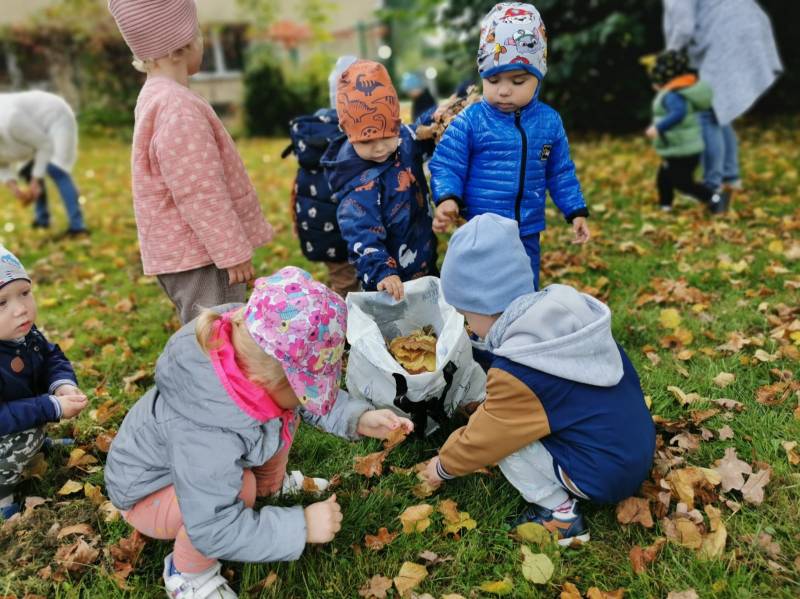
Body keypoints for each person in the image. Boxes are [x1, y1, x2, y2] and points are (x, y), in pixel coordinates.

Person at [105, 266, 413, 599]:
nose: (309, 398)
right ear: (267, 380)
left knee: (279, 420)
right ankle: (189, 573)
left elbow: (301, 403)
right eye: (305, 389)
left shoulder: (249, 366)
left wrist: (359, 418)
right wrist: (301, 527)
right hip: (149, 494)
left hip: (196, 475)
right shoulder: (207, 432)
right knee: (240, 488)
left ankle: (271, 488)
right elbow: (212, 524)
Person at [420, 215, 655, 546]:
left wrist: (442, 466)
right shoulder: (562, 321)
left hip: (602, 474)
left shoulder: (521, 373)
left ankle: (560, 516)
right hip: (633, 447)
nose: (469, 328)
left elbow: (486, 437)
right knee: (512, 419)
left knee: (504, 439)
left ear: (484, 306)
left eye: (468, 317)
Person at [108, 0, 273, 324]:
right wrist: (231, 251)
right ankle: (211, 377)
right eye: (197, 34)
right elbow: (199, 190)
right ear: (176, 48)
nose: (202, 42)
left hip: (185, 251)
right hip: (200, 256)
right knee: (218, 333)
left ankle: (210, 373)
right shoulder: (177, 108)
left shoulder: (156, 95)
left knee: (205, 331)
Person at [429, 2, 589, 290]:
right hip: (481, 226)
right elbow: (447, 161)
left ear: (538, 78)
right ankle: (481, 329)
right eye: (493, 79)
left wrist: (575, 211)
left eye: (518, 80)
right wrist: (447, 197)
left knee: (525, 284)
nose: (503, 90)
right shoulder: (472, 119)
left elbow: (561, 171)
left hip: (526, 226)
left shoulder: (549, 122)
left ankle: (522, 327)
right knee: (482, 286)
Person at [322, 60, 437, 301]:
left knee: (428, 329)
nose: (378, 148)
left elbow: (416, 136)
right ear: (348, 133)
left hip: (424, 261)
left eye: (386, 136)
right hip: (387, 283)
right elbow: (361, 233)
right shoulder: (357, 183)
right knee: (396, 334)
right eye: (366, 141)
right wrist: (382, 272)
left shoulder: (403, 139)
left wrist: (434, 122)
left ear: (396, 125)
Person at [0, 246, 88, 519]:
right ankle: (3, 495)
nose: (21, 309)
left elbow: (51, 357)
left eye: (25, 293)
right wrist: (50, 407)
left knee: (35, 413)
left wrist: (61, 385)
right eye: (1, 303)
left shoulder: (23, 335)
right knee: (20, 434)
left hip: (20, 415)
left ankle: (37, 443)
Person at [663, 0, 783, 194]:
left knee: (706, 112)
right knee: (718, 111)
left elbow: (684, 28)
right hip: (745, 26)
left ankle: (712, 185)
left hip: (727, 33)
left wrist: (669, 56)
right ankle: (730, 178)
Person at [286, 56, 359, 297]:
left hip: (322, 231)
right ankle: (347, 328)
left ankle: (340, 321)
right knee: (360, 286)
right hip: (354, 227)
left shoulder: (313, 131)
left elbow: (298, 186)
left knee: (343, 282)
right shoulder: (358, 133)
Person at [645, 49, 729, 214]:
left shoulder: (672, 96)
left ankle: (714, 198)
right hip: (678, 146)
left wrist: (659, 127)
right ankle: (665, 206)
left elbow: (678, 113)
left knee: (682, 182)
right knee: (664, 177)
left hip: (683, 149)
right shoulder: (676, 91)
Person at [0, 91, 88, 236]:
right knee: (28, 170)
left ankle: (78, 227)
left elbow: (44, 145)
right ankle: (42, 220)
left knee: (56, 169)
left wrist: (35, 181)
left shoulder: (11, 119)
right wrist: (15, 189)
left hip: (54, 116)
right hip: (31, 130)